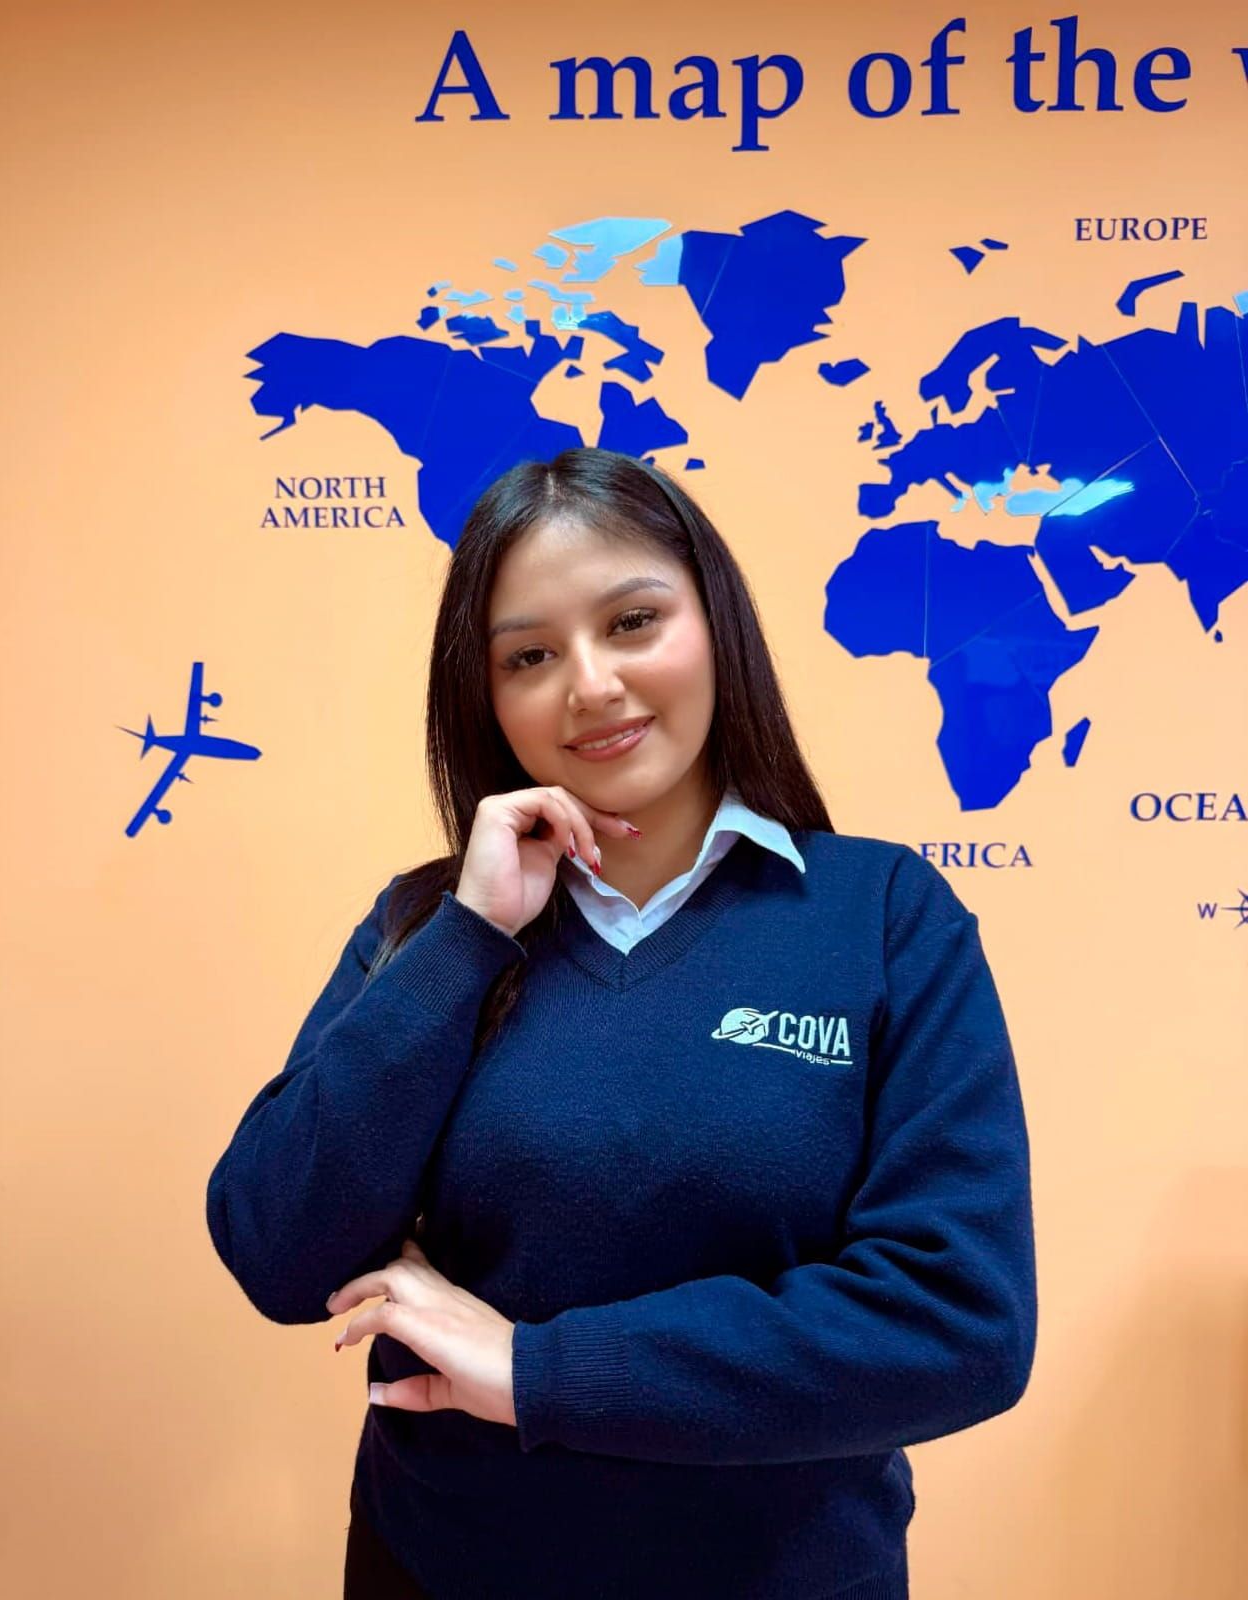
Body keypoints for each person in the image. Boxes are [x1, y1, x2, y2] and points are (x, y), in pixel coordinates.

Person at [205, 446, 1038, 1600]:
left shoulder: (882, 916)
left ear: (715, 627)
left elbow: (959, 1322)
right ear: (485, 695)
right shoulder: (424, 925)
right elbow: (274, 1246)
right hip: (439, 1567)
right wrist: (472, 933)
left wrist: (540, 1370)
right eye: (530, 655)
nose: (588, 684)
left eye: (633, 621)